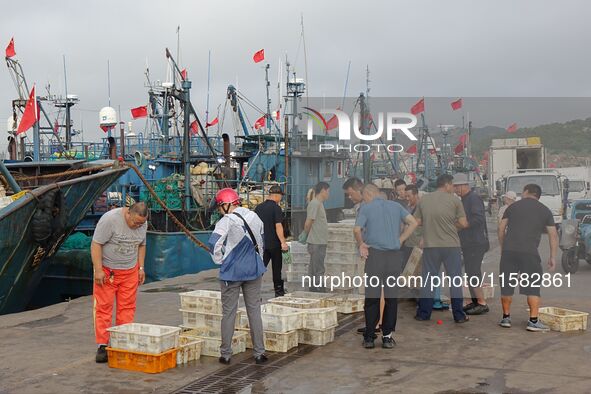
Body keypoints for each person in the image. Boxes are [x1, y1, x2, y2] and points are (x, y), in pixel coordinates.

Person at [208, 188, 268, 364]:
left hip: (232, 273)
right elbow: (262, 243)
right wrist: (259, 263)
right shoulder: (254, 217)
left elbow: (213, 244)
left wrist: (220, 260)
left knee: (228, 313)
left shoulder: (226, 221)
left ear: (227, 205)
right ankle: (259, 352)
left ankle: (226, 354)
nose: (220, 210)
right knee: (254, 310)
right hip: (254, 270)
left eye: (220, 207)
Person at [354, 184, 417, 349]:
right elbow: (413, 223)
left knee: (372, 297)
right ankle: (387, 337)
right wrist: (401, 239)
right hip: (394, 257)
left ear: (368, 194)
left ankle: (369, 337)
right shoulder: (396, 206)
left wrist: (361, 244)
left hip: (375, 256)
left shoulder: (366, 208)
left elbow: (356, 229)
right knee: (391, 298)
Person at [91, 202, 148, 363]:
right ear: (128, 213)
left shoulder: (142, 223)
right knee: (103, 307)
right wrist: (98, 269)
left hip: (130, 271)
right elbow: (96, 244)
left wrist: (141, 267)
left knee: (127, 308)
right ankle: (103, 345)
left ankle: (122, 340)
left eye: (141, 223)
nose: (137, 226)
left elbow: (142, 245)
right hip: (108, 272)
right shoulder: (109, 220)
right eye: (135, 222)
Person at [498, 184, 558, 331]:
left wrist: (503, 247)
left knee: (506, 286)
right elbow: (553, 235)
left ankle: (506, 318)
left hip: (509, 252)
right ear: (538, 195)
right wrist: (553, 257)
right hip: (530, 253)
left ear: (525, 192)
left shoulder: (512, 207)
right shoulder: (545, 210)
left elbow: (501, 228)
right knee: (533, 288)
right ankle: (533, 321)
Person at [415, 174, 470, 323]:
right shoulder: (455, 200)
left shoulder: (424, 199)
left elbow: (417, 221)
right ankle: (459, 315)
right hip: (451, 246)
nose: (453, 188)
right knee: (455, 280)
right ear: (447, 185)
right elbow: (464, 224)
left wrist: (431, 226)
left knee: (428, 280)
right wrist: (451, 227)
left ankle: (423, 314)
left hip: (431, 246)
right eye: (452, 185)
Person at [453, 173, 490, 315]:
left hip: (476, 242)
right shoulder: (463, 199)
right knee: (469, 272)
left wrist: (463, 225)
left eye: (458, 187)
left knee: (474, 271)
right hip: (468, 242)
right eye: (455, 187)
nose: (456, 190)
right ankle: (475, 301)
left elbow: (478, 218)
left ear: (465, 185)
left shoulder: (473, 198)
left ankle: (482, 302)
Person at [255, 185, 289, 297]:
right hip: (274, 244)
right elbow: (278, 226)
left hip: (262, 244)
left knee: (259, 268)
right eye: (281, 196)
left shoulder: (258, 208)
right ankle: (278, 292)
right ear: (277, 195)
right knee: (276, 269)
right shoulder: (276, 208)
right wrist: (283, 242)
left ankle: (253, 291)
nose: (281, 199)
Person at [300, 182, 330, 292]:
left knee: (315, 267)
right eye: (328, 191)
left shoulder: (319, 204)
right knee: (318, 268)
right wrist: (305, 234)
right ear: (323, 190)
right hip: (316, 242)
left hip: (320, 241)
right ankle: (319, 289)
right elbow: (309, 221)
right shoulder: (315, 204)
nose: (328, 194)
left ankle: (314, 288)